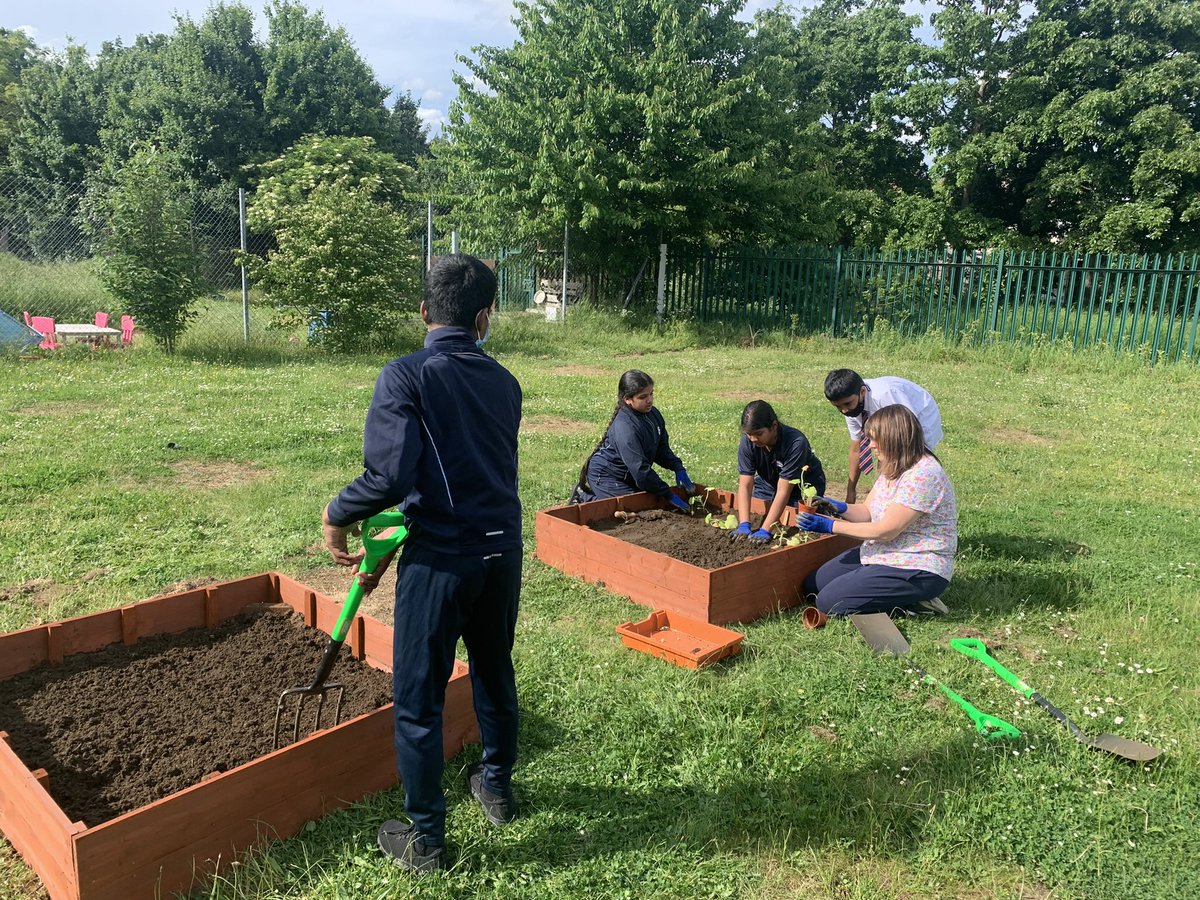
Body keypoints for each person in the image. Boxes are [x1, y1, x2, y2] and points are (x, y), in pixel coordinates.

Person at [322, 254, 522, 876]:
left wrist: (337, 511)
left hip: (441, 561)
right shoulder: (505, 381)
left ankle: (427, 840)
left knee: (417, 698)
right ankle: (495, 784)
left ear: (423, 312)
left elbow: (391, 473)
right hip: (503, 552)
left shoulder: (405, 376)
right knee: (492, 668)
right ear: (485, 317)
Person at [797, 404, 957, 618]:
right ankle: (882, 589)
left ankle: (917, 604)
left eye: (875, 439)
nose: (871, 445)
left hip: (917, 565)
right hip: (884, 552)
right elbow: (867, 512)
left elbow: (886, 531)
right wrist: (839, 507)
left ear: (894, 438)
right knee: (813, 586)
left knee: (829, 603)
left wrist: (831, 525)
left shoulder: (923, 474)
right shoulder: (893, 465)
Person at [568, 369, 693, 513]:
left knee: (650, 503)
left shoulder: (653, 415)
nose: (650, 400)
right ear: (628, 399)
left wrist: (677, 467)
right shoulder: (625, 427)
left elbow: (661, 449)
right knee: (633, 510)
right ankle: (583, 496)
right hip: (606, 476)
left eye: (651, 393)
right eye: (643, 397)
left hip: (629, 476)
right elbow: (640, 470)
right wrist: (668, 493)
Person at [823, 369, 942, 504]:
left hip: (919, 416)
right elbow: (857, 448)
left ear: (862, 392)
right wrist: (851, 492)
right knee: (885, 455)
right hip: (893, 419)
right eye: (838, 406)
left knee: (908, 462)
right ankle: (885, 497)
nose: (844, 410)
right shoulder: (851, 406)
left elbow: (907, 430)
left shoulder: (885, 396)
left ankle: (908, 498)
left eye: (847, 404)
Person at [733, 400, 826, 542]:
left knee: (799, 517)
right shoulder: (748, 442)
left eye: (758, 433)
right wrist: (744, 524)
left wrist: (765, 530)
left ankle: (826, 511)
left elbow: (784, 490)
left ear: (774, 426)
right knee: (759, 507)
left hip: (801, 487)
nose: (753, 439)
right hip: (769, 483)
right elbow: (745, 484)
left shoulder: (795, 442)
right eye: (748, 434)